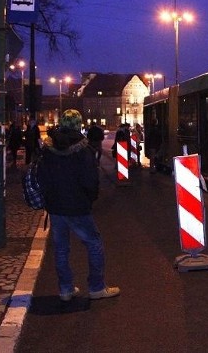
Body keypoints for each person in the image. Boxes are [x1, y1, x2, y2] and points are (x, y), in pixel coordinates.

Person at [37, 109, 120, 302]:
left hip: (56, 206)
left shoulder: (48, 149)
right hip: (78, 206)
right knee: (93, 243)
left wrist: (49, 198)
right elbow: (91, 181)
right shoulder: (83, 150)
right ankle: (96, 287)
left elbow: (42, 177)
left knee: (61, 248)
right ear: (78, 125)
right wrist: (89, 199)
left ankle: (65, 289)